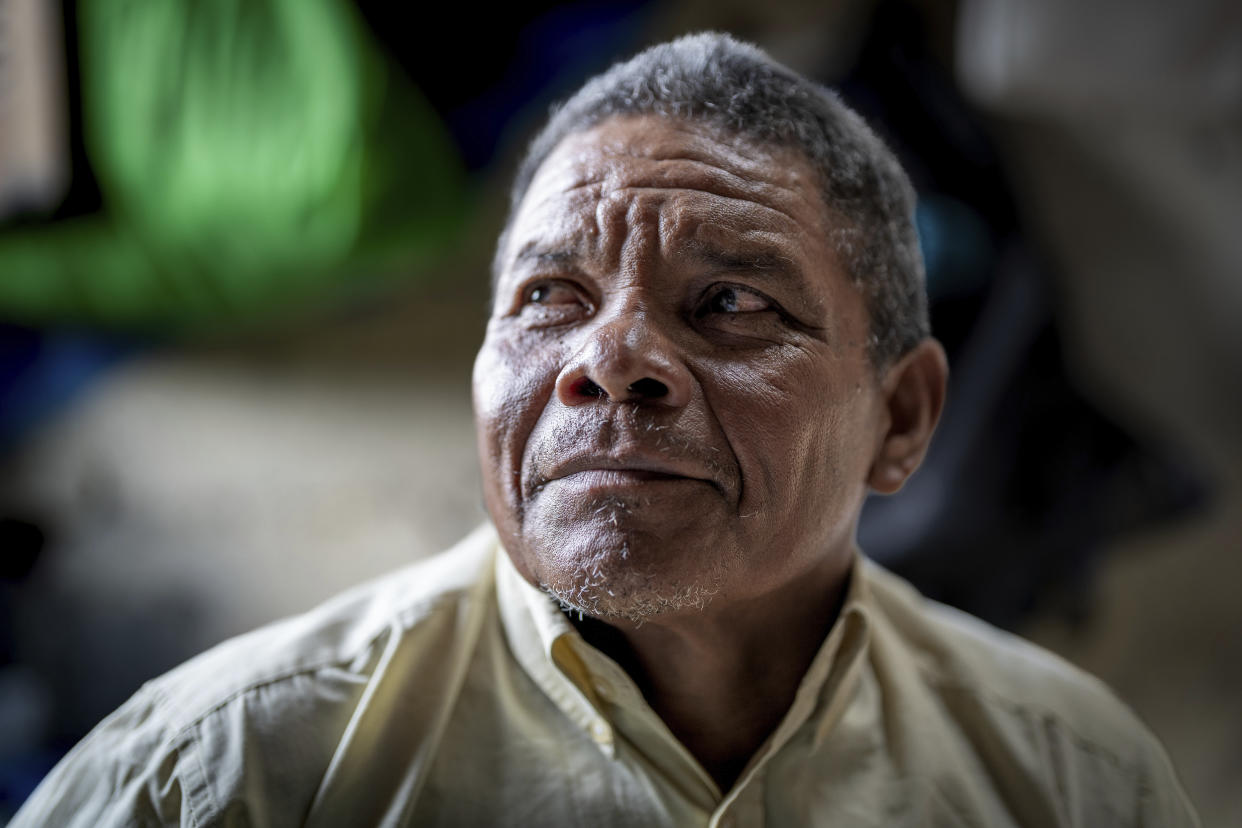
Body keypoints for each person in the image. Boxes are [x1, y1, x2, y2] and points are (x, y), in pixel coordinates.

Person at [12, 33, 1198, 827]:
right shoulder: (215, 780)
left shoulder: (1067, 777)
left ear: (902, 416)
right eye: (549, 301)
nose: (608, 363)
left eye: (731, 304)